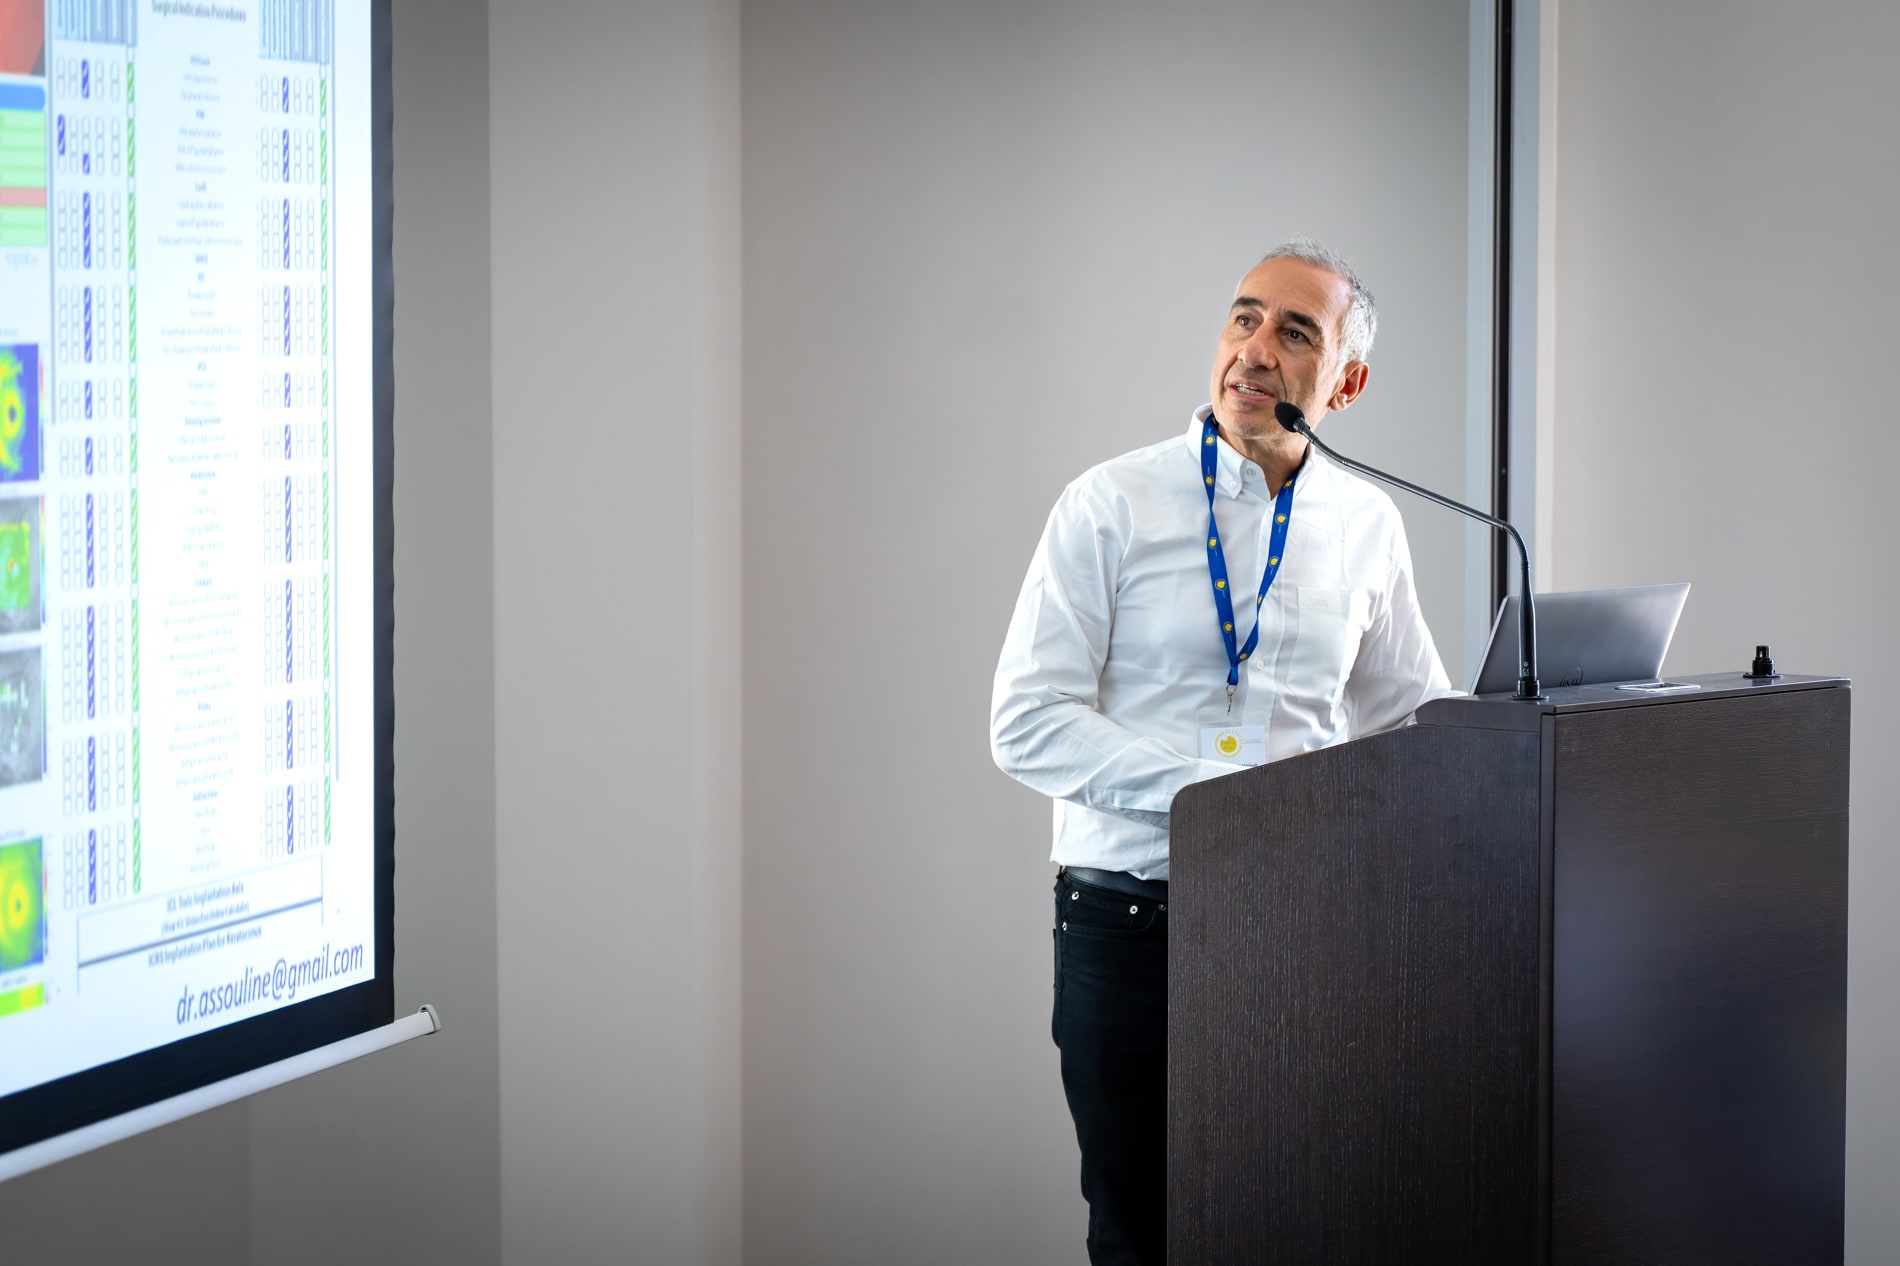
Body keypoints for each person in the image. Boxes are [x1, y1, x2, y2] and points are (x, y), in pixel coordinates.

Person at [988, 237, 1451, 1265]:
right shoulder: (1110, 502)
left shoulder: (1366, 524)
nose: (1255, 349)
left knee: (1294, 1226)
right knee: (1141, 1237)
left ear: (1346, 382)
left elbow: (1411, 719)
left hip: (1305, 927)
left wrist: (1522, 723)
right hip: (1129, 926)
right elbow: (1026, 718)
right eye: (1244, 318)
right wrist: (1214, 796)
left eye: (1296, 333)